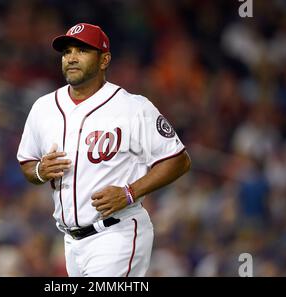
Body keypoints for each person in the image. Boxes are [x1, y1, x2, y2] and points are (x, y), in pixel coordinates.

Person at [17, 23, 191, 277]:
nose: (72, 58)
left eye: (82, 50)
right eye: (67, 52)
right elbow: (27, 163)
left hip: (117, 233)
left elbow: (178, 160)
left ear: (104, 59)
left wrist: (129, 193)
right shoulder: (43, 108)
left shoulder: (132, 107)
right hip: (70, 242)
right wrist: (40, 171)